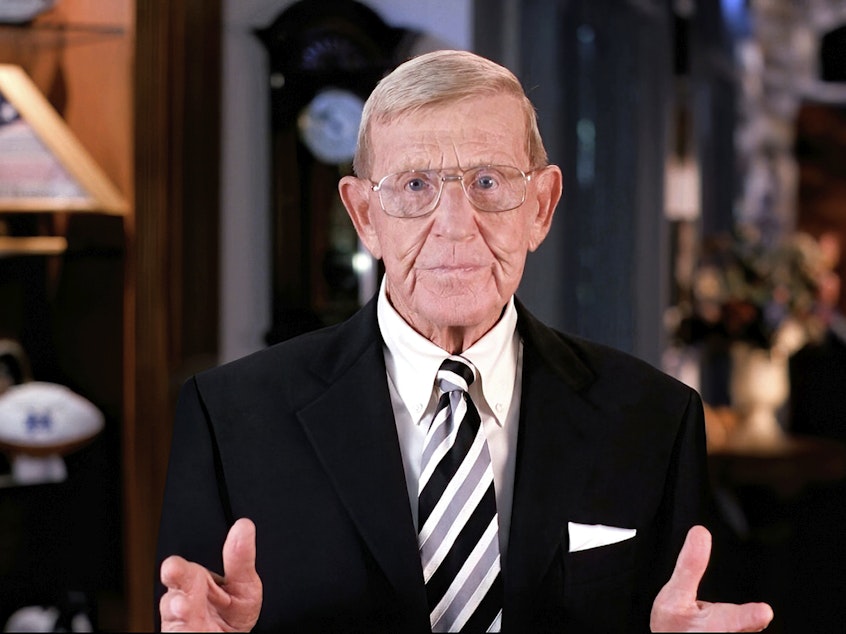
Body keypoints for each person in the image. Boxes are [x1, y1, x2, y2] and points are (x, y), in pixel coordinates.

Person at [156, 50, 773, 632]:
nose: (454, 226)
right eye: (416, 186)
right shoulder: (229, 419)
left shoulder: (656, 419)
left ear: (541, 206)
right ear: (365, 217)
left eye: (487, 182)